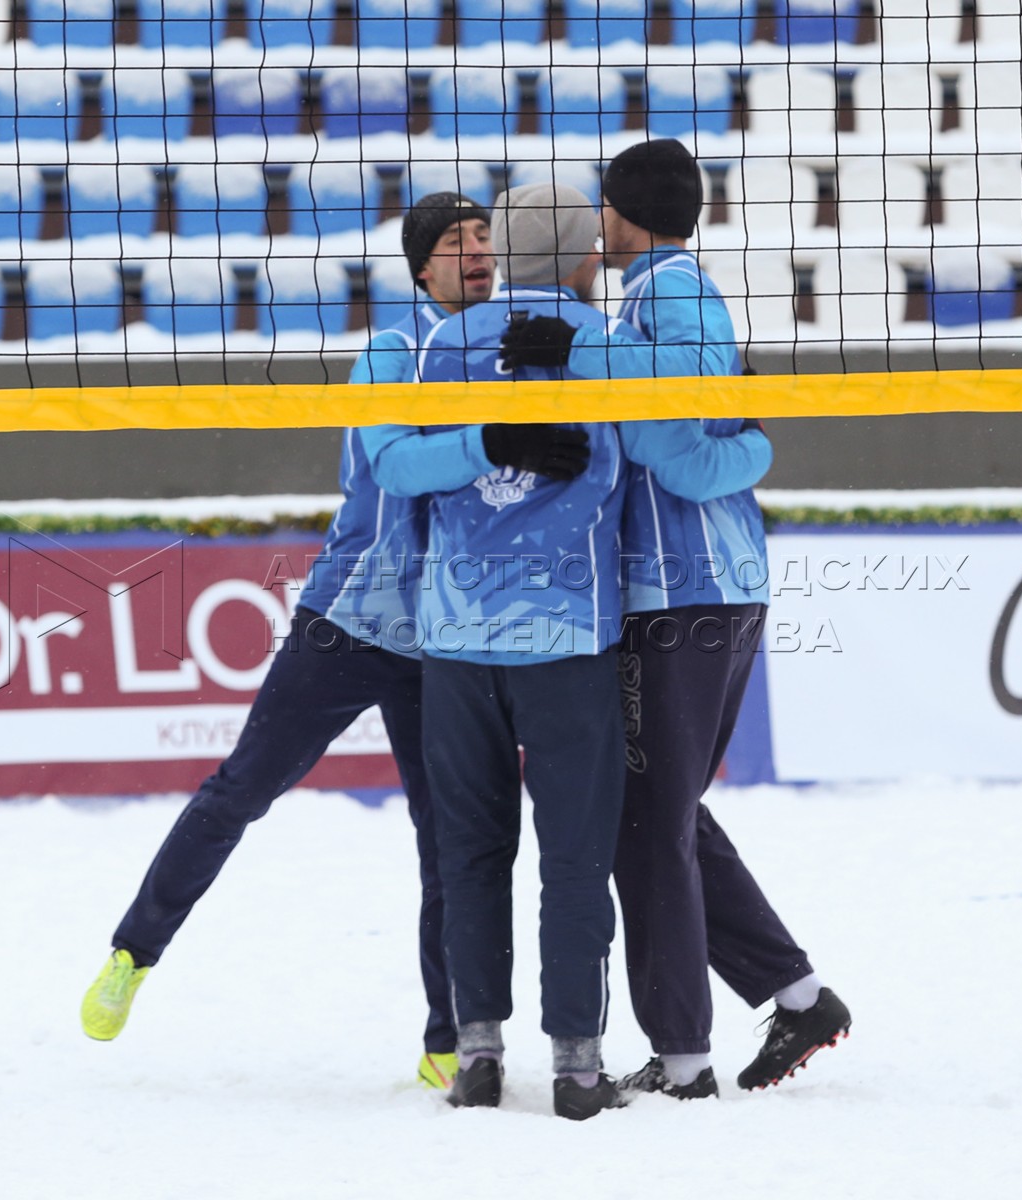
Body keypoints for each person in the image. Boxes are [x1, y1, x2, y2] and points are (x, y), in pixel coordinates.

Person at [360, 182, 777, 1120]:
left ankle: (476, 1057)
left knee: (470, 855)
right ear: (588, 255)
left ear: (499, 254)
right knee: (578, 861)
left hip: (457, 641)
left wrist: (481, 444)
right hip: (569, 640)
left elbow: (393, 468)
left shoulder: (422, 349)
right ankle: (578, 1071)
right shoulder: (610, 349)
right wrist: (755, 438)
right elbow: (673, 459)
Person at [79, 194, 496, 1094]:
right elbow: (397, 469)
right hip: (351, 618)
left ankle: (448, 1041)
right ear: (421, 265)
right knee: (242, 789)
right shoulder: (394, 350)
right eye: (457, 240)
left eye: (485, 238)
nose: (478, 251)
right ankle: (133, 953)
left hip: (449, 633)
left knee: (448, 843)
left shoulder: (507, 349)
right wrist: (493, 439)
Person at [501, 141, 853, 1099]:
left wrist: (581, 351)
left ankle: (687, 1059)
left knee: (647, 823)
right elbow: (700, 433)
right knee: (665, 811)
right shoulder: (665, 298)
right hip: (705, 587)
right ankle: (797, 996)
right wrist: (753, 440)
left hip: (681, 592)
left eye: (601, 211)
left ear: (619, 216)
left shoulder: (668, 294)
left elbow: (681, 455)